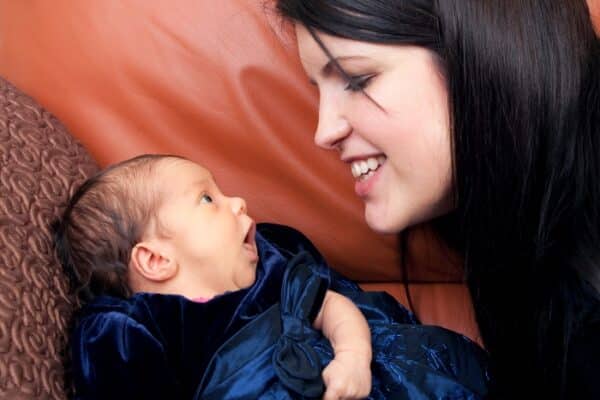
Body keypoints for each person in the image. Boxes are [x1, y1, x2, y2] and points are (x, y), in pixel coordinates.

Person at [275, 0, 600, 399]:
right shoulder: (517, 224)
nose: (324, 132)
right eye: (319, 90)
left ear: (485, 55)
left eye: (357, 79)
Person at [53, 154, 490, 399]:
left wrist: (353, 357)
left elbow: (333, 305)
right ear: (155, 260)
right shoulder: (140, 333)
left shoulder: (270, 271)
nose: (238, 201)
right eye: (208, 198)